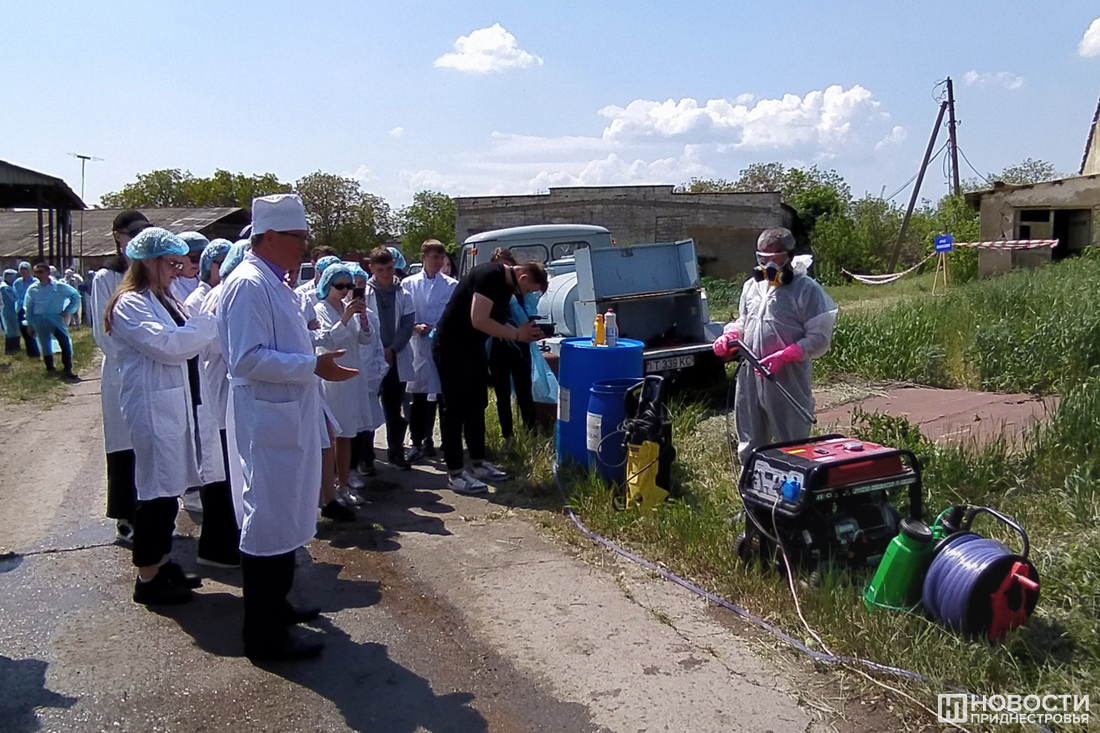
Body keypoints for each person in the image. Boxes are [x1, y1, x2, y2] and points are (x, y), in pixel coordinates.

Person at [219, 193, 358, 661]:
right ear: (271, 236)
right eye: (299, 237)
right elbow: (246, 358)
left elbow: (288, 344)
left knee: (287, 517)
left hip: (286, 414)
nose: (305, 246)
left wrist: (315, 357)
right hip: (266, 418)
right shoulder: (247, 284)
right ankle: (263, 635)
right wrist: (312, 366)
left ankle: (277, 606)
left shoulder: (274, 282)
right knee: (267, 521)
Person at [104, 227, 218, 606]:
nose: (177, 271)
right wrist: (208, 321)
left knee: (170, 489)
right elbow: (169, 345)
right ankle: (147, 578)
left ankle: (163, 562)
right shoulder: (130, 304)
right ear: (148, 262)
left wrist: (200, 328)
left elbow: (190, 339)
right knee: (156, 493)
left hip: (175, 406)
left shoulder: (164, 297)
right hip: (153, 408)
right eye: (171, 264)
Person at [712, 228, 839, 463]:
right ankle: (751, 479)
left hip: (787, 376)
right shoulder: (752, 286)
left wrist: (787, 354)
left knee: (791, 438)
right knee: (750, 434)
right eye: (763, 258)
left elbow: (819, 337)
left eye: (776, 258)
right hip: (751, 371)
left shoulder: (806, 289)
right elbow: (744, 321)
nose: (769, 265)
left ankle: (794, 478)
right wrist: (730, 335)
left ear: (789, 256)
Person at [432, 260, 547, 493]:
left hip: (473, 348)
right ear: (523, 278)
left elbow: (498, 320)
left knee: (477, 404)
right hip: (452, 347)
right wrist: (517, 335)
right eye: (527, 290)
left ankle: (478, 462)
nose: (525, 294)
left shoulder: (505, 286)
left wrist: (526, 331)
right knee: (455, 410)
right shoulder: (490, 275)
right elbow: (480, 319)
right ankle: (455, 473)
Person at [93, 210, 151, 543]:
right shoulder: (107, 277)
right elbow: (105, 333)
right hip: (122, 372)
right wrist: (141, 355)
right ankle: (126, 515)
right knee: (124, 445)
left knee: (150, 444)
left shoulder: (151, 274)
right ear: (118, 237)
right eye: (132, 235)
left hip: (152, 371)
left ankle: (153, 513)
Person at [313, 263, 375, 513]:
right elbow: (327, 340)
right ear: (327, 286)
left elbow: (365, 339)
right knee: (332, 434)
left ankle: (344, 483)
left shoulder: (348, 307)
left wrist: (363, 319)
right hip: (332, 379)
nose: (345, 290)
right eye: (340, 286)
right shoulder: (320, 310)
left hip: (353, 375)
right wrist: (346, 317)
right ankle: (329, 487)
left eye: (348, 286)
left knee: (348, 432)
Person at [401, 240, 457, 462]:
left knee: (444, 397)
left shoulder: (451, 285)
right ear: (423, 257)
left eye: (441, 257)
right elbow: (403, 313)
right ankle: (418, 441)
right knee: (419, 398)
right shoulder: (409, 284)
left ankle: (448, 443)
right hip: (418, 346)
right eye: (434, 257)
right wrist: (415, 327)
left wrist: (439, 328)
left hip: (443, 347)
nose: (438, 262)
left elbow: (454, 314)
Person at [365, 247, 415, 469]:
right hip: (371, 357)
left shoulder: (404, 294)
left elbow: (407, 325)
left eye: (389, 268)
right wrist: (379, 351)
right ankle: (367, 457)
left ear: (394, 266)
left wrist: (392, 349)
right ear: (372, 269)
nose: (385, 274)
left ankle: (396, 452)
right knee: (367, 408)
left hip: (395, 357)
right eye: (380, 270)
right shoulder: (364, 293)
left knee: (394, 408)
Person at [487, 248, 537, 445]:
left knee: (525, 391)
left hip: (520, 345)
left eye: (506, 267)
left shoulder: (521, 291)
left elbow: (531, 312)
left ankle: (531, 435)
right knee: (502, 393)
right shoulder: (491, 290)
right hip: (498, 345)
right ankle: (507, 436)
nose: (503, 272)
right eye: (498, 267)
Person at [23, 261, 81, 380]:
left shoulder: (59, 287)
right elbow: (28, 307)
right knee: (44, 343)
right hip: (39, 318)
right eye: (35, 272)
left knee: (64, 342)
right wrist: (29, 323)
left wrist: (68, 310)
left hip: (55, 318)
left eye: (40, 272)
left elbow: (75, 296)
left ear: (48, 273)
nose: (38, 275)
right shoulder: (33, 289)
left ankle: (67, 369)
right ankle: (50, 368)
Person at [293, 247, 339, 325]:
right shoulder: (301, 293)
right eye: (323, 261)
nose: (328, 267)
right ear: (313, 263)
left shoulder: (341, 291)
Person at [12, 262, 40, 357]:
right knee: (24, 331)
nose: (23, 272)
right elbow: (16, 295)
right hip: (21, 309)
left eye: (25, 270)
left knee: (34, 330)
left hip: (33, 309)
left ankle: (37, 351)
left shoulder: (36, 281)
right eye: (21, 270)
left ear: (29, 271)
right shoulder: (17, 282)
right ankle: (30, 353)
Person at [170, 231, 208, 302]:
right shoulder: (170, 285)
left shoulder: (206, 281)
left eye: (201, 259)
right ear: (178, 257)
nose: (197, 264)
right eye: (194, 258)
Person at [1, 269, 20, 354]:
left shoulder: (9, 286)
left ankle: (15, 349)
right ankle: (10, 350)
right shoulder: (5, 288)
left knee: (14, 330)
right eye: (14, 276)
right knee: (10, 331)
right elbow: (13, 299)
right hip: (8, 311)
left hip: (12, 311)